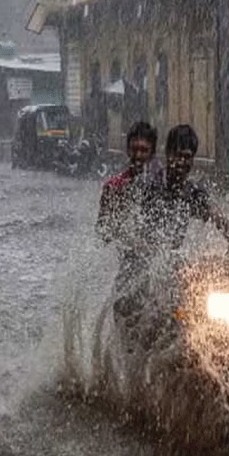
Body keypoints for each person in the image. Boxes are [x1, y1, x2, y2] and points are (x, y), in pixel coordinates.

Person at [96, 121, 163, 347]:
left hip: (162, 278)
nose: (138, 155)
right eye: (134, 149)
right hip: (128, 276)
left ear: (153, 152)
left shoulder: (165, 185)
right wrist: (126, 233)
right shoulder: (115, 187)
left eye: (144, 150)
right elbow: (103, 232)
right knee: (128, 344)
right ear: (127, 150)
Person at [143, 124, 229, 256]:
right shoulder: (152, 186)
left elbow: (217, 216)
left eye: (187, 157)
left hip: (171, 258)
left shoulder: (192, 192)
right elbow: (138, 230)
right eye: (178, 155)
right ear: (168, 153)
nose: (181, 162)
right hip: (146, 258)